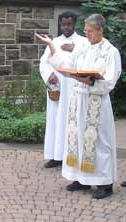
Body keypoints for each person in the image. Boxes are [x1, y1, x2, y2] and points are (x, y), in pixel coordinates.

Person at [36, 14, 122, 199]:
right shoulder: (82, 48)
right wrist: (51, 45)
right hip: (79, 101)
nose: (87, 34)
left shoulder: (110, 51)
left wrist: (90, 81)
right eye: (86, 30)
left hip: (96, 103)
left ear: (100, 30)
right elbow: (67, 64)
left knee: (99, 142)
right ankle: (81, 179)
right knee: (78, 139)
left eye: (90, 31)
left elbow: (110, 80)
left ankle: (104, 182)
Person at [39, 11, 88, 168]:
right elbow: (44, 63)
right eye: (63, 24)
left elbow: (86, 62)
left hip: (75, 89)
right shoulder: (54, 42)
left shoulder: (83, 42)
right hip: (57, 89)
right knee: (55, 122)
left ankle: (71, 156)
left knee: (72, 122)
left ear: (74, 24)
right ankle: (56, 155)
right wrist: (49, 75)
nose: (66, 27)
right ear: (59, 24)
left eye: (69, 24)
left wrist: (74, 49)